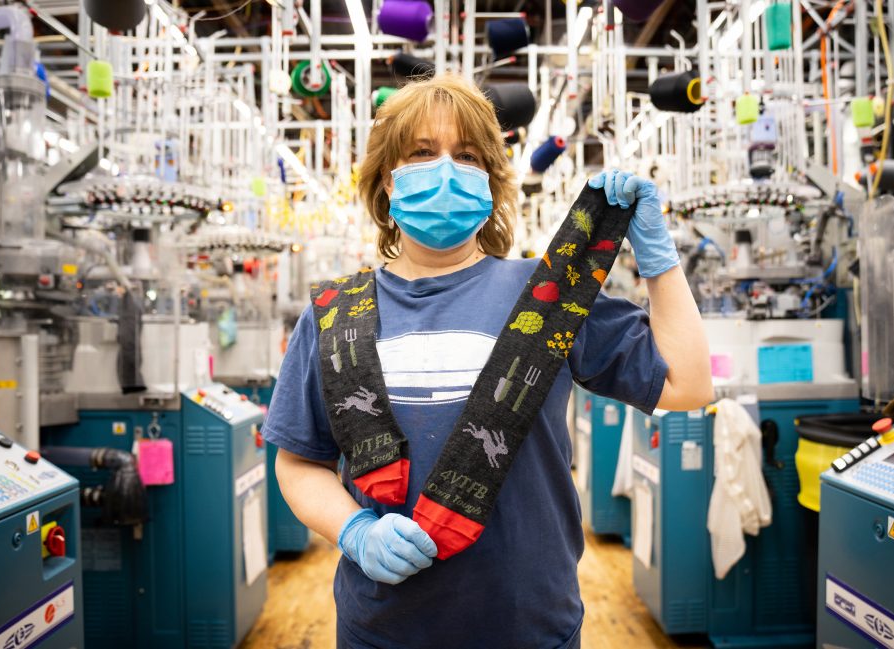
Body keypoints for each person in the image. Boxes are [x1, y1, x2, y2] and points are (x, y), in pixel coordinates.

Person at [263, 73, 712, 649]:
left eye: (467, 155)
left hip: (530, 625)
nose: (445, 169)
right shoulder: (334, 314)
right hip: (383, 631)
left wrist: (658, 260)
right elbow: (298, 462)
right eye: (422, 153)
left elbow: (688, 384)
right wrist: (352, 532)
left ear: (493, 182)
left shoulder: (548, 295)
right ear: (385, 182)